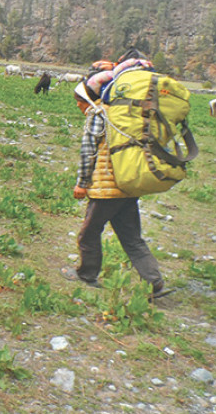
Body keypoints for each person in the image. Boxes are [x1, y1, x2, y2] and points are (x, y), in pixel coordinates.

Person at [61, 67, 171, 299]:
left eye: (79, 102)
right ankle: (155, 283)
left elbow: (88, 151)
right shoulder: (122, 115)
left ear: (87, 99)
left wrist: (82, 183)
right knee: (132, 238)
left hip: (106, 190)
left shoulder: (98, 114)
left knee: (88, 233)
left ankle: (86, 274)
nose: (79, 107)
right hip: (128, 186)